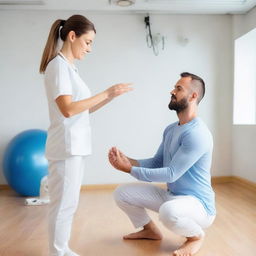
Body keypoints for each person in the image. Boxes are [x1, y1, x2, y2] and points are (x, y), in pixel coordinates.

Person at [39, 14, 133, 256]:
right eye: (88, 42)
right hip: (66, 147)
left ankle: (62, 249)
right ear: (72, 36)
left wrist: (110, 96)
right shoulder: (58, 66)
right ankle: (57, 252)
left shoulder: (70, 68)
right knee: (62, 206)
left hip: (76, 147)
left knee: (68, 204)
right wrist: (106, 91)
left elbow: (85, 109)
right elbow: (68, 109)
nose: (90, 48)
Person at [108, 72, 216, 256]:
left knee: (167, 212)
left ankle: (196, 236)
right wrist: (129, 162)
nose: (172, 91)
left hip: (199, 206)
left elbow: (171, 173)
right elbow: (158, 162)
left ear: (193, 96)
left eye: (178, 88)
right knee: (122, 193)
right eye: (174, 87)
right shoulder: (171, 129)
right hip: (173, 196)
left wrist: (130, 169)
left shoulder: (198, 134)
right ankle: (150, 230)